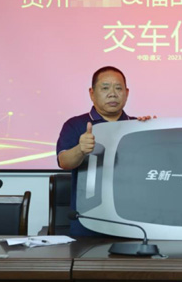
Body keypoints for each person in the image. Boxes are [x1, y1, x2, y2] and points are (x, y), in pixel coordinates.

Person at [56, 66, 143, 237]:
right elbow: (64, 162)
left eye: (118, 88)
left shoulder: (137, 125)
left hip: (132, 220)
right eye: (105, 88)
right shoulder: (75, 125)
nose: (113, 94)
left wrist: (151, 131)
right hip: (88, 220)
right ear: (92, 93)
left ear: (126, 93)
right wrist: (81, 149)